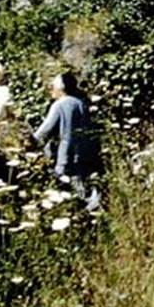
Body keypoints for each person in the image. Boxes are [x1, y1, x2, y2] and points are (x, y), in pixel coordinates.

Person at [32, 72, 101, 210]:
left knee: (71, 194)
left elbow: (45, 130)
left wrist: (31, 142)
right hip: (85, 154)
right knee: (85, 188)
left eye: (53, 87)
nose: (51, 90)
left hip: (67, 156)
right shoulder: (81, 103)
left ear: (60, 89)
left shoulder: (60, 105)